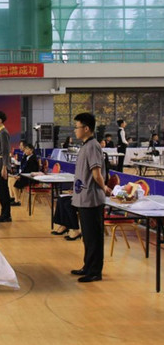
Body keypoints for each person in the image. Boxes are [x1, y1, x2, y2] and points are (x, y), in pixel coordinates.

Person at [70, 112, 112, 283]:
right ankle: (87, 266)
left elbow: (96, 173)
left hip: (92, 199)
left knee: (94, 237)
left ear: (86, 128)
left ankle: (95, 271)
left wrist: (105, 188)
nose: (75, 130)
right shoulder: (85, 146)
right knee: (87, 236)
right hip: (83, 198)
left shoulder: (93, 146)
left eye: (77, 127)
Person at [9, 142, 40, 206]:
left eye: (27, 149)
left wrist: (20, 176)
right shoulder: (27, 157)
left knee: (14, 182)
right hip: (25, 176)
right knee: (10, 180)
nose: (25, 150)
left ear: (31, 150)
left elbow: (29, 171)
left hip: (30, 178)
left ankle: (17, 201)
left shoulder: (33, 159)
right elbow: (24, 169)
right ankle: (13, 197)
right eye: (25, 149)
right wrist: (18, 175)